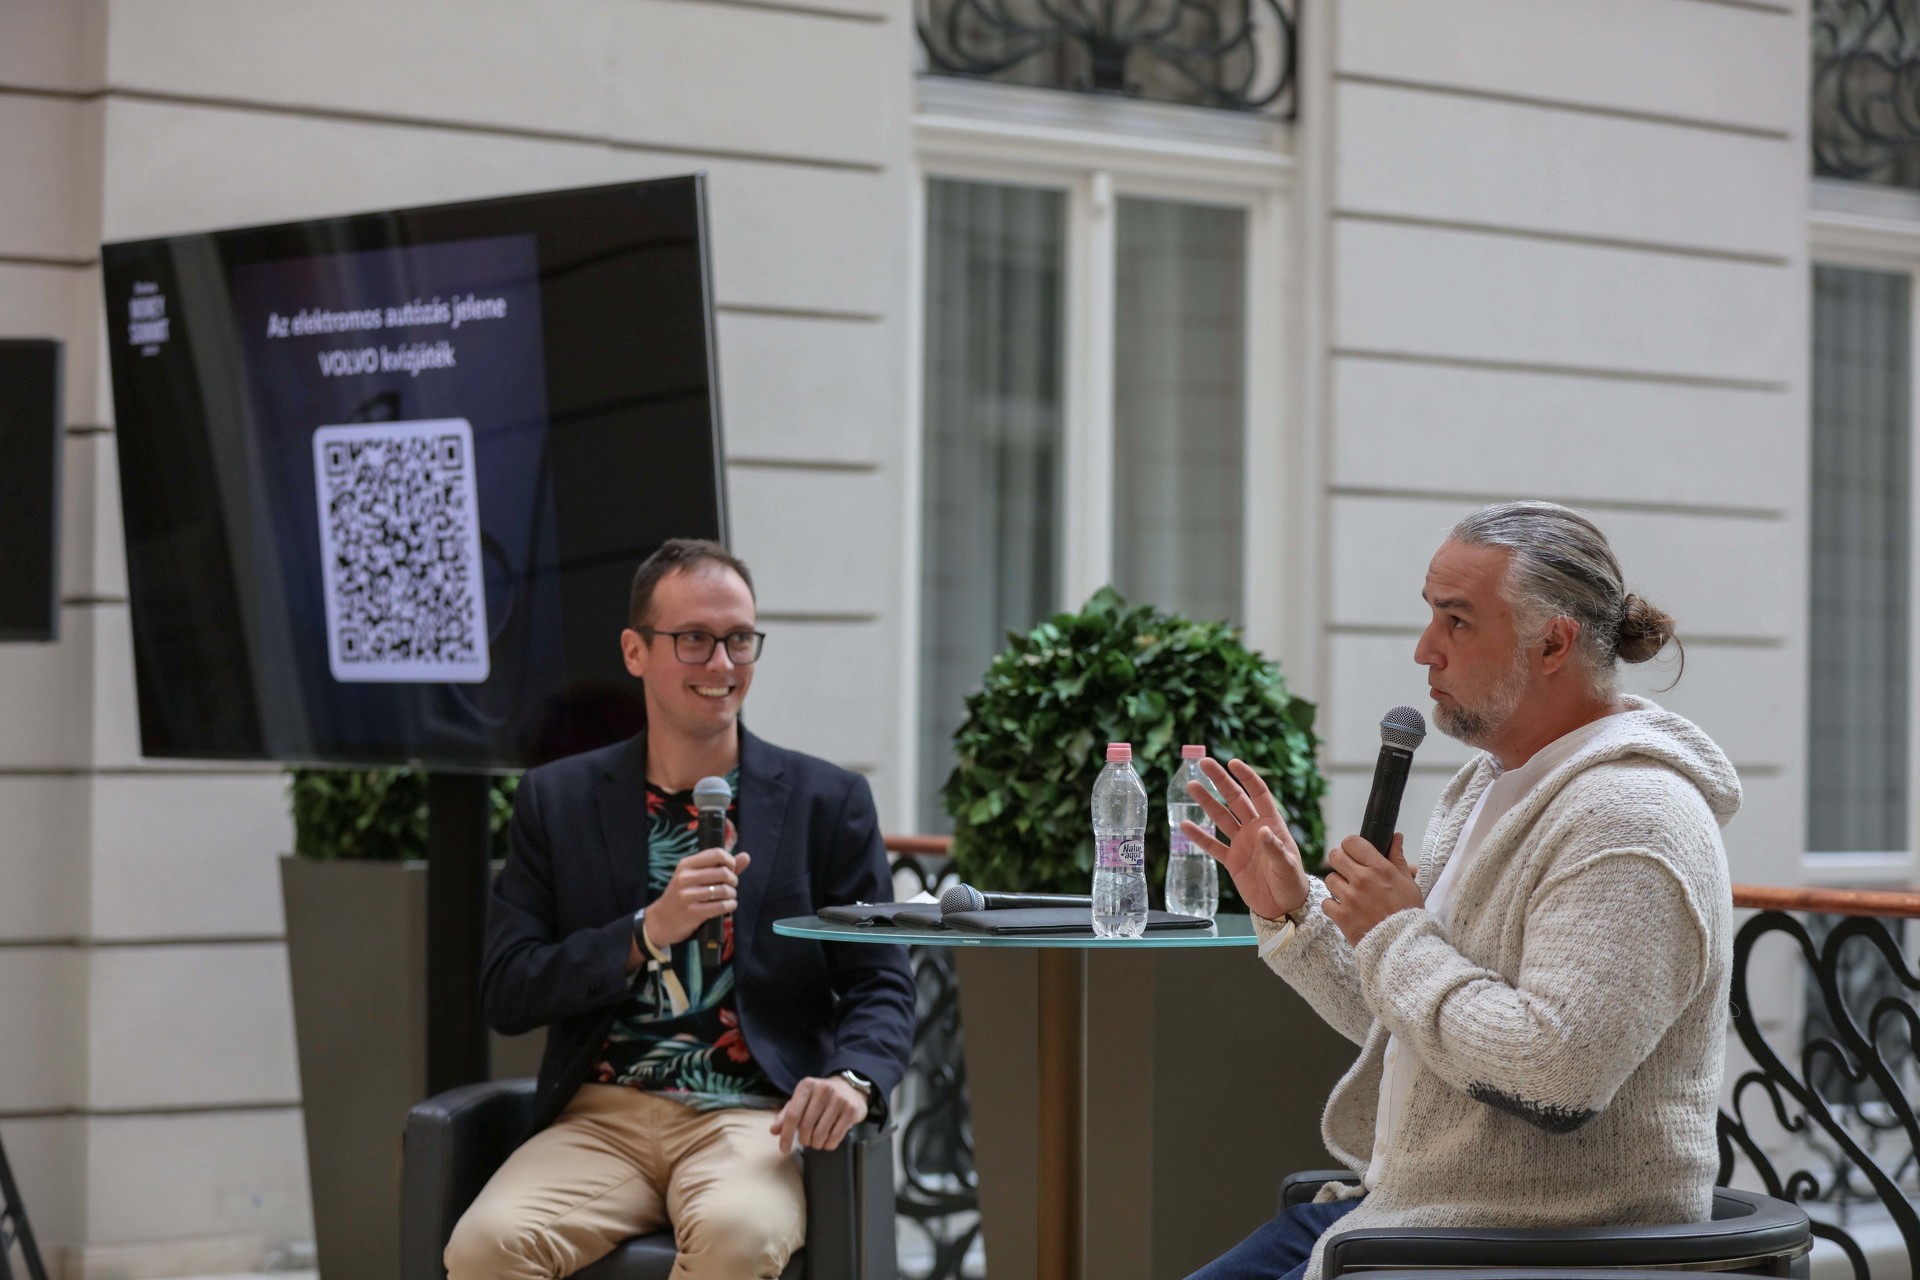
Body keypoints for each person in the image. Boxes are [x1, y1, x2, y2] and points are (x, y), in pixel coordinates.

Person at [1182, 501, 1738, 1280]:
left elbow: (1556, 1074)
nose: (1425, 650)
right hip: (1413, 1219)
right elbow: (1428, 1025)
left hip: (1530, 1252)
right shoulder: (1490, 786)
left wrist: (1395, 933)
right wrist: (1297, 912)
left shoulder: (1632, 820)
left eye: (1457, 621)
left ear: (1553, 643)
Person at [446, 539, 915, 1280]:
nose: (722, 664)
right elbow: (508, 988)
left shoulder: (827, 803)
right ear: (635, 651)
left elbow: (879, 981)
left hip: (755, 1119)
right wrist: (644, 933)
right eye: (694, 639)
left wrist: (853, 1080)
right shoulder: (558, 800)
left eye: (739, 639)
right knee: (485, 1245)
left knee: (738, 1235)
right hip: (601, 1117)